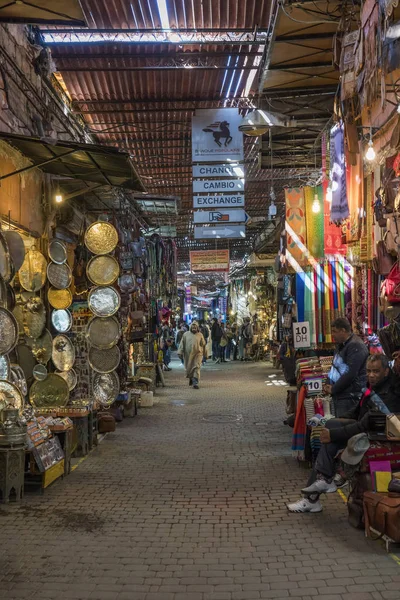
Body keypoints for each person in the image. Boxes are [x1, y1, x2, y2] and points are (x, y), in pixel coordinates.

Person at [288, 354, 400, 513]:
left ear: (386, 372)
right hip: (366, 430)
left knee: (330, 437)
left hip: (376, 435)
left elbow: (364, 424)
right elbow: (356, 412)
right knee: (330, 428)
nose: (371, 375)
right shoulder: (372, 387)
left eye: (376, 371)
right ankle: (322, 484)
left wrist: (333, 434)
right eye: (368, 371)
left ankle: (314, 495)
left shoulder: (389, 393)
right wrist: (333, 422)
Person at [323, 317, 369, 417]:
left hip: (351, 395)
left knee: (345, 424)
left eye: (335, 331)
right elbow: (335, 366)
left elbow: (350, 373)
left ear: (343, 330)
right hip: (343, 394)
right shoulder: (341, 345)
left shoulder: (355, 345)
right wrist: (328, 383)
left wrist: (333, 388)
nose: (332, 335)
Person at [178, 321, 206, 389]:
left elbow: (203, 344)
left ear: (197, 328)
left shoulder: (200, 335)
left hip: (198, 354)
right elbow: (182, 344)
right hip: (188, 355)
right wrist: (180, 352)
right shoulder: (186, 334)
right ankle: (191, 378)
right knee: (189, 368)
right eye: (193, 327)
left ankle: (195, 383)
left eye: (195, 327)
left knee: (196, 367)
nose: (194, 328)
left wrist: (205, 354)